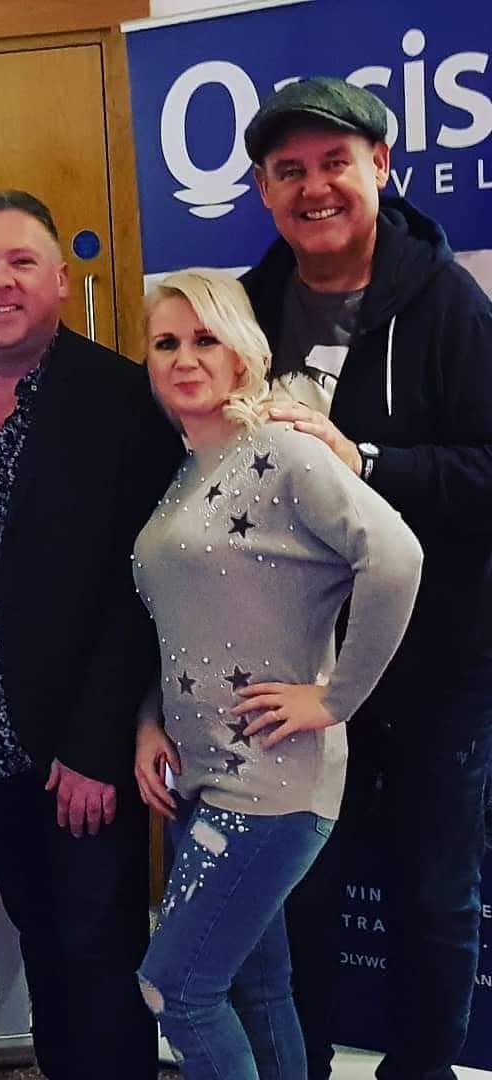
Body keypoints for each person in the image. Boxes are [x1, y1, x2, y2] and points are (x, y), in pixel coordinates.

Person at [0, 190, 181, 1080]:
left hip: (82, 746)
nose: (1, 281)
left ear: (60, 280)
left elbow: (143, 586)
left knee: (102, 958)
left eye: (22, 262)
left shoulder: (125, 400)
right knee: (43, 945)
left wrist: (98, 746)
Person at [239, 77, 492, 1080]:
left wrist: (368, 460)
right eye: (288, 170)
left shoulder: (448, 302)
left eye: (335, 163)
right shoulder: (247, 309)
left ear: (381, 168)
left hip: (437, 664)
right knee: (298, 888)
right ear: (263, 188)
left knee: (434, 896)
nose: (314, 188)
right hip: (297, 668)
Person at [131, 267, 422, 1080]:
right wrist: (150, 718)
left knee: (173, 990)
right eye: (166, 343)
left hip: (272, 785)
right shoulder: (188, 470)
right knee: (258, 991)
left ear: (241, 353)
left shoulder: (284, 452)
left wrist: (335, 698)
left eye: (204, 338)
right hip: (199, 777)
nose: (185, 357)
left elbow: (397, 558)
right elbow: (186, 627)